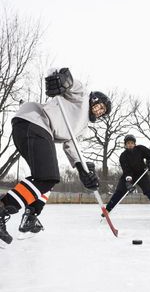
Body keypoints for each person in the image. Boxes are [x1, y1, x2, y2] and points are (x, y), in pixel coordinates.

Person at [0, 67, 112, 245]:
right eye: (100, 106)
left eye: (102, 112)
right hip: (35, 121)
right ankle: (4, 208)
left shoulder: (82, 127)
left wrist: (83, 170)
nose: (99, 111)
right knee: (48, 177)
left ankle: (31, 214)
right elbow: (68, 81)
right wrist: (62, 79)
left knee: (46, 179)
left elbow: (72, 146)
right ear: (94, 99)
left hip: (30, 129)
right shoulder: (82, 96)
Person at [103, 134, 150, 219]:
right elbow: (126, 170)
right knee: (119, 191)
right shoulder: (123, 156)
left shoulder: (140, 149)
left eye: (132, 143)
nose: (130, 144)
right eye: (128, 143)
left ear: (135, 144)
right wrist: (128, 181)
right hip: (129, 175)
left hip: (142, 174)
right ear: (125, 145)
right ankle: (107, 210)